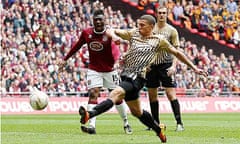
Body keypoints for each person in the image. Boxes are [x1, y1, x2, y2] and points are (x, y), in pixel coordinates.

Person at [78, 14, 208, 143]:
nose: (138, 27)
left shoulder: (159, 40)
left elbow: (177, 53)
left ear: (151, 27)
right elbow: (110, 29)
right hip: (126, 75)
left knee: (115, 94)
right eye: (138, 24)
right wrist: (115, 36)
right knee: (137, 112)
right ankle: (158, 130)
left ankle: (90, 114)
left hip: (138, 76)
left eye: (142, 25)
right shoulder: (134, 33)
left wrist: (194, 68)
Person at [58, 9, 132, 135]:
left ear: (104, 20)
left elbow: (115, 50)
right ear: (92, 21)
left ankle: (126, 122)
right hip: (94, 69)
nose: (98, 22)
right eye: (96, 19)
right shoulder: (87, 33)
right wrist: (65, 59)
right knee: (93, 94)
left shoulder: (109, 33)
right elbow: (77, 46)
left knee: (117, 98)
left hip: (110, 71)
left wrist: (116, 60)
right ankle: (92, 126)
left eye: (100, 19)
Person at [145, 5, 184, 131]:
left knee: (170, 94)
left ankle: (179, 123)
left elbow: (176, 50)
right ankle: (155, 123)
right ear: (156, 14)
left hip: (166, 65)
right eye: (159, 12)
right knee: (152, 95)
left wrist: (173, 66)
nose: (161, 15)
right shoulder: (150, 29)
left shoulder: (172, 31)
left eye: (164, 13)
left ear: (167, 14)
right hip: (152, 66)